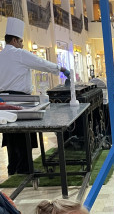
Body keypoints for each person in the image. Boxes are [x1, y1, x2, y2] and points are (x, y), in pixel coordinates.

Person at [0, 17, 70, 175]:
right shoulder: (18, 54)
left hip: (3, 102)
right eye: (21, 41)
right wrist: (61, 69)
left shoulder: (1, 55)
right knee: (23, 133)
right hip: (19, 100)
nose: (22, 44)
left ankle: (13, 168)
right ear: (14, 40)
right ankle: (25, 168)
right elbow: (41, 63)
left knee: (10, 134)